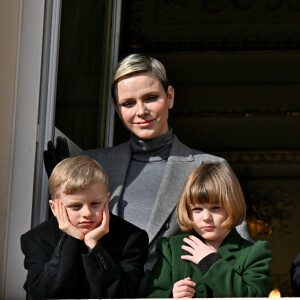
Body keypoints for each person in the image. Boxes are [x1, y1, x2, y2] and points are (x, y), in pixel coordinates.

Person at [44, 54, 251, 272]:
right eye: (128, 103)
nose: (141, 111)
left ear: (170, 97)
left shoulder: (210, 167)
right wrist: (59, 191)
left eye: (151, 98)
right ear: (117, 109)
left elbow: (241, 252)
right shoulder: (91, 164)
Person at [21, 156, 148, 299]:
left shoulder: (131, 238)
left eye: (95, 204)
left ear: (107, 200)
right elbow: (43, 293)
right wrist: (72, 240)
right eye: (75, 206)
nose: (87, 213)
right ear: (54, 208)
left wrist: (93, 246)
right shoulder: (36, 239)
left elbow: (121, 294)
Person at [146, 161, 272, 298]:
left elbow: (253, 296)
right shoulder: (172, 249)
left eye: (216, 208)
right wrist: (171, 295)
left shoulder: (254, 253)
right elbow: (152, 295)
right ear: (188, 211)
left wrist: (210, 262)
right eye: (197, 209)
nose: (206, 217)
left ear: (233, 206)